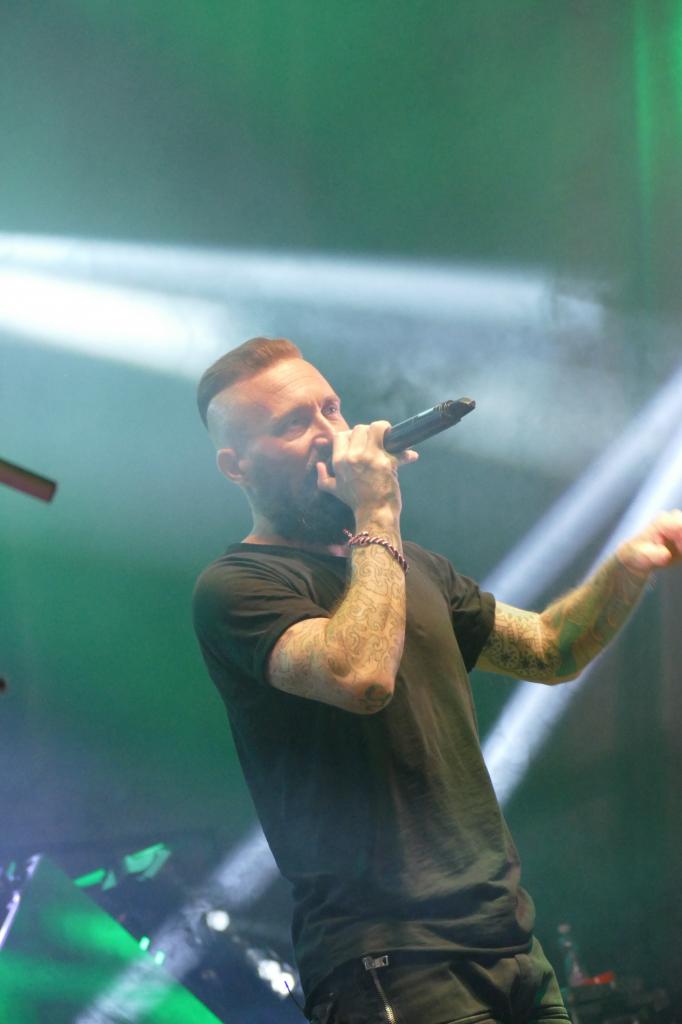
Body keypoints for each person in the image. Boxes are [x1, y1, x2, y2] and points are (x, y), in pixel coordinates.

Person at [192, 336, 682, 1024]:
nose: (330, 433)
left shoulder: (412, 566)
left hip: (511, 945)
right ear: (236, 466)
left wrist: (628, 567)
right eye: (294, 423)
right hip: (390, 959)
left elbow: (550, 650)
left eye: (330, 409)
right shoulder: (238, 586)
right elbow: (360, 675)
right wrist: (377, 513)